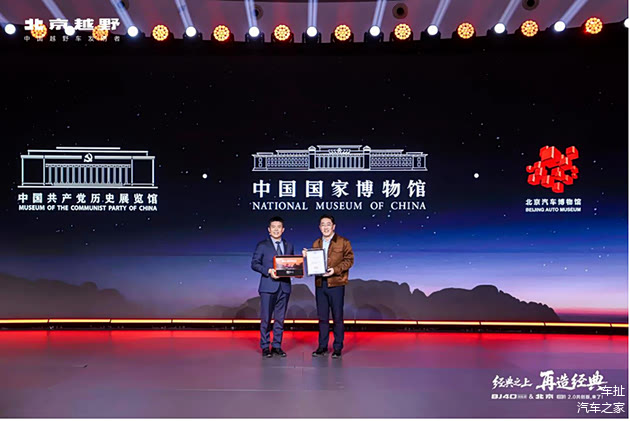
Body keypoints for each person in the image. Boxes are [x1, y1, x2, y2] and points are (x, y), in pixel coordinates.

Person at [305, 214, 354, 359]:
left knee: (337, 317)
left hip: (336, 283)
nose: (325, 227)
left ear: (333, 226)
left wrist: (335, 270)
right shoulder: (316, 243)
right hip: (321, 284)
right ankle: (322, 347)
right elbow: (314, 263)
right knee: (322, 318)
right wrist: (307, 256)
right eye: (323, 224)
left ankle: (337, 347)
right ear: (319, 227)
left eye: (328, 224)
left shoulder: (343, 242)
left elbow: (349, 260)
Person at [251, 216, 294, 358]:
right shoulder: (262, 245)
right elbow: (255, 264)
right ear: (269, 230)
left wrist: (296, 270)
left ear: (283, 229)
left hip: (284, 287)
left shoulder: (289, 245)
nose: (276, 229)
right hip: (268, 287)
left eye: (279, 227)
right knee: (266, 318)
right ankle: (265, 346)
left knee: (280, 319)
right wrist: (268, 271)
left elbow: (291, 264)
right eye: (273, 227)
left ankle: (277, 346)